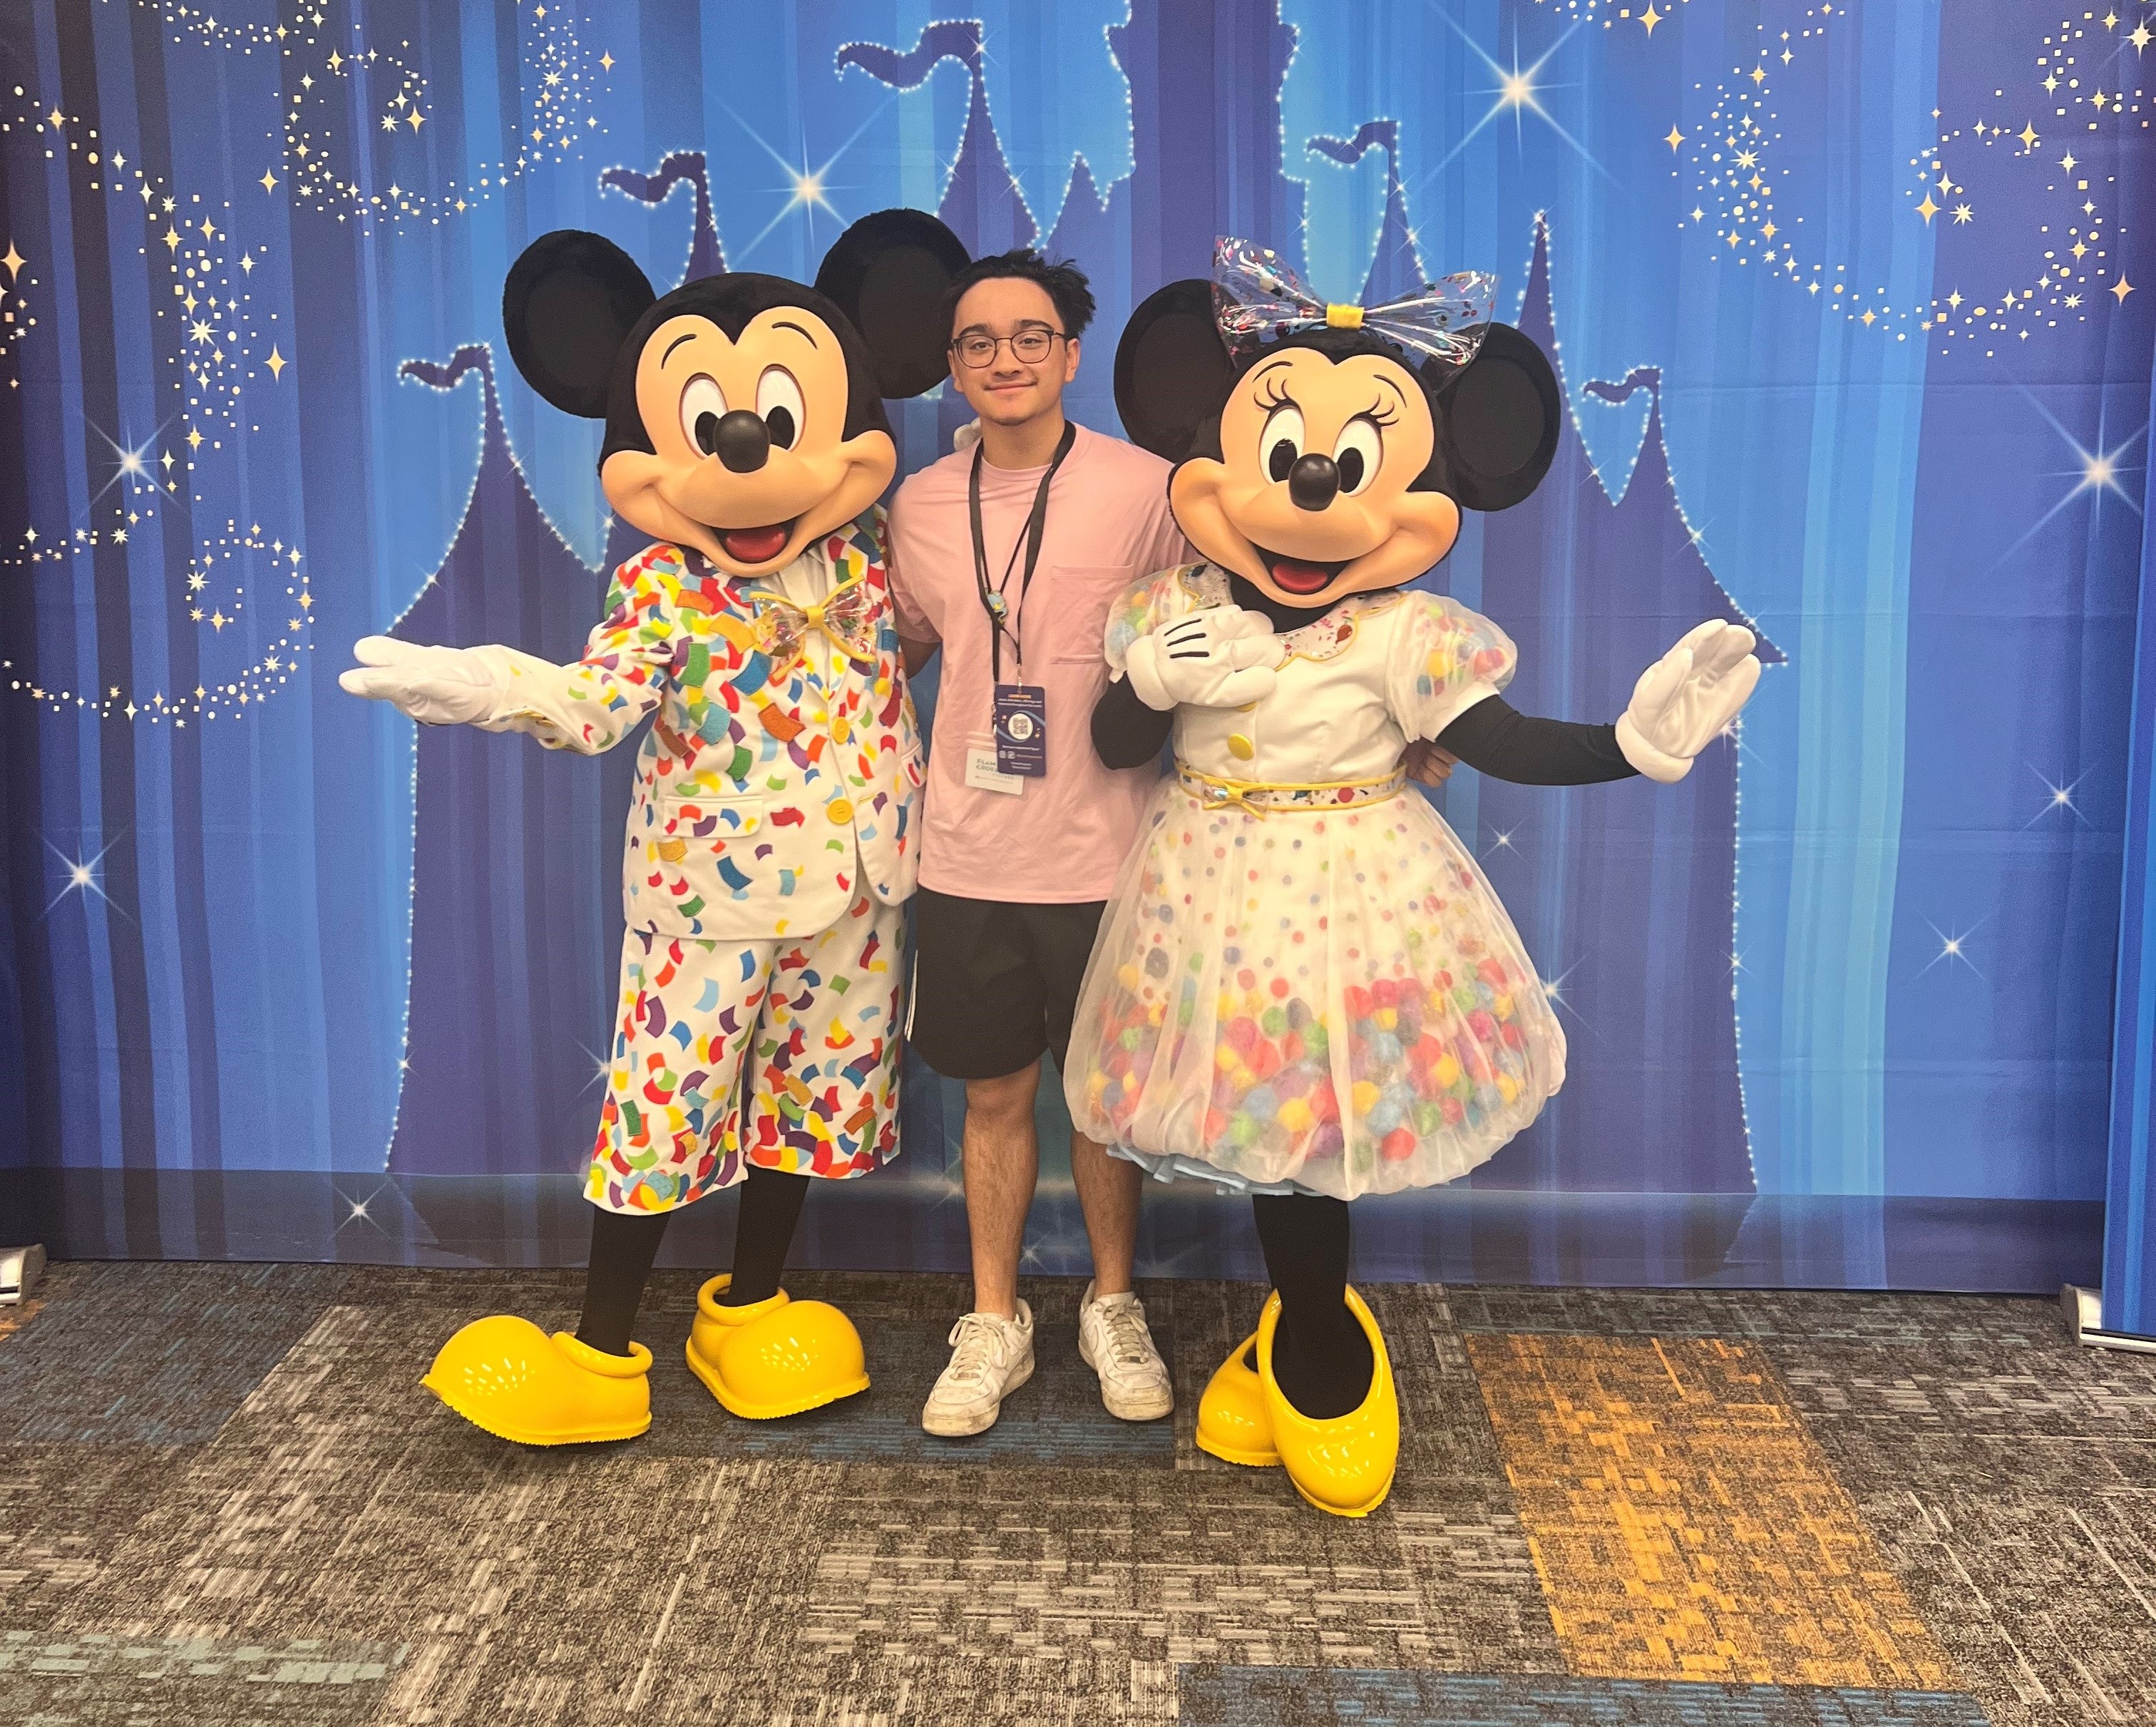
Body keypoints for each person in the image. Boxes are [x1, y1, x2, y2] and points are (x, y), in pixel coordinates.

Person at [886, 250, 1190, 1437]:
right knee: (996, 1094)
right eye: (977, 342)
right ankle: (996, 1319)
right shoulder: (915, 503)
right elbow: (894, 652)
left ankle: (1113, 1305)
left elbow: (1216, 627)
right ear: (952, 364)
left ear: (1070, 353)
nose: (1002, 359)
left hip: (1111, 853)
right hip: (964, 856)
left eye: (1029, 337)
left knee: (1107, 1102)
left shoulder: (1149, 491)